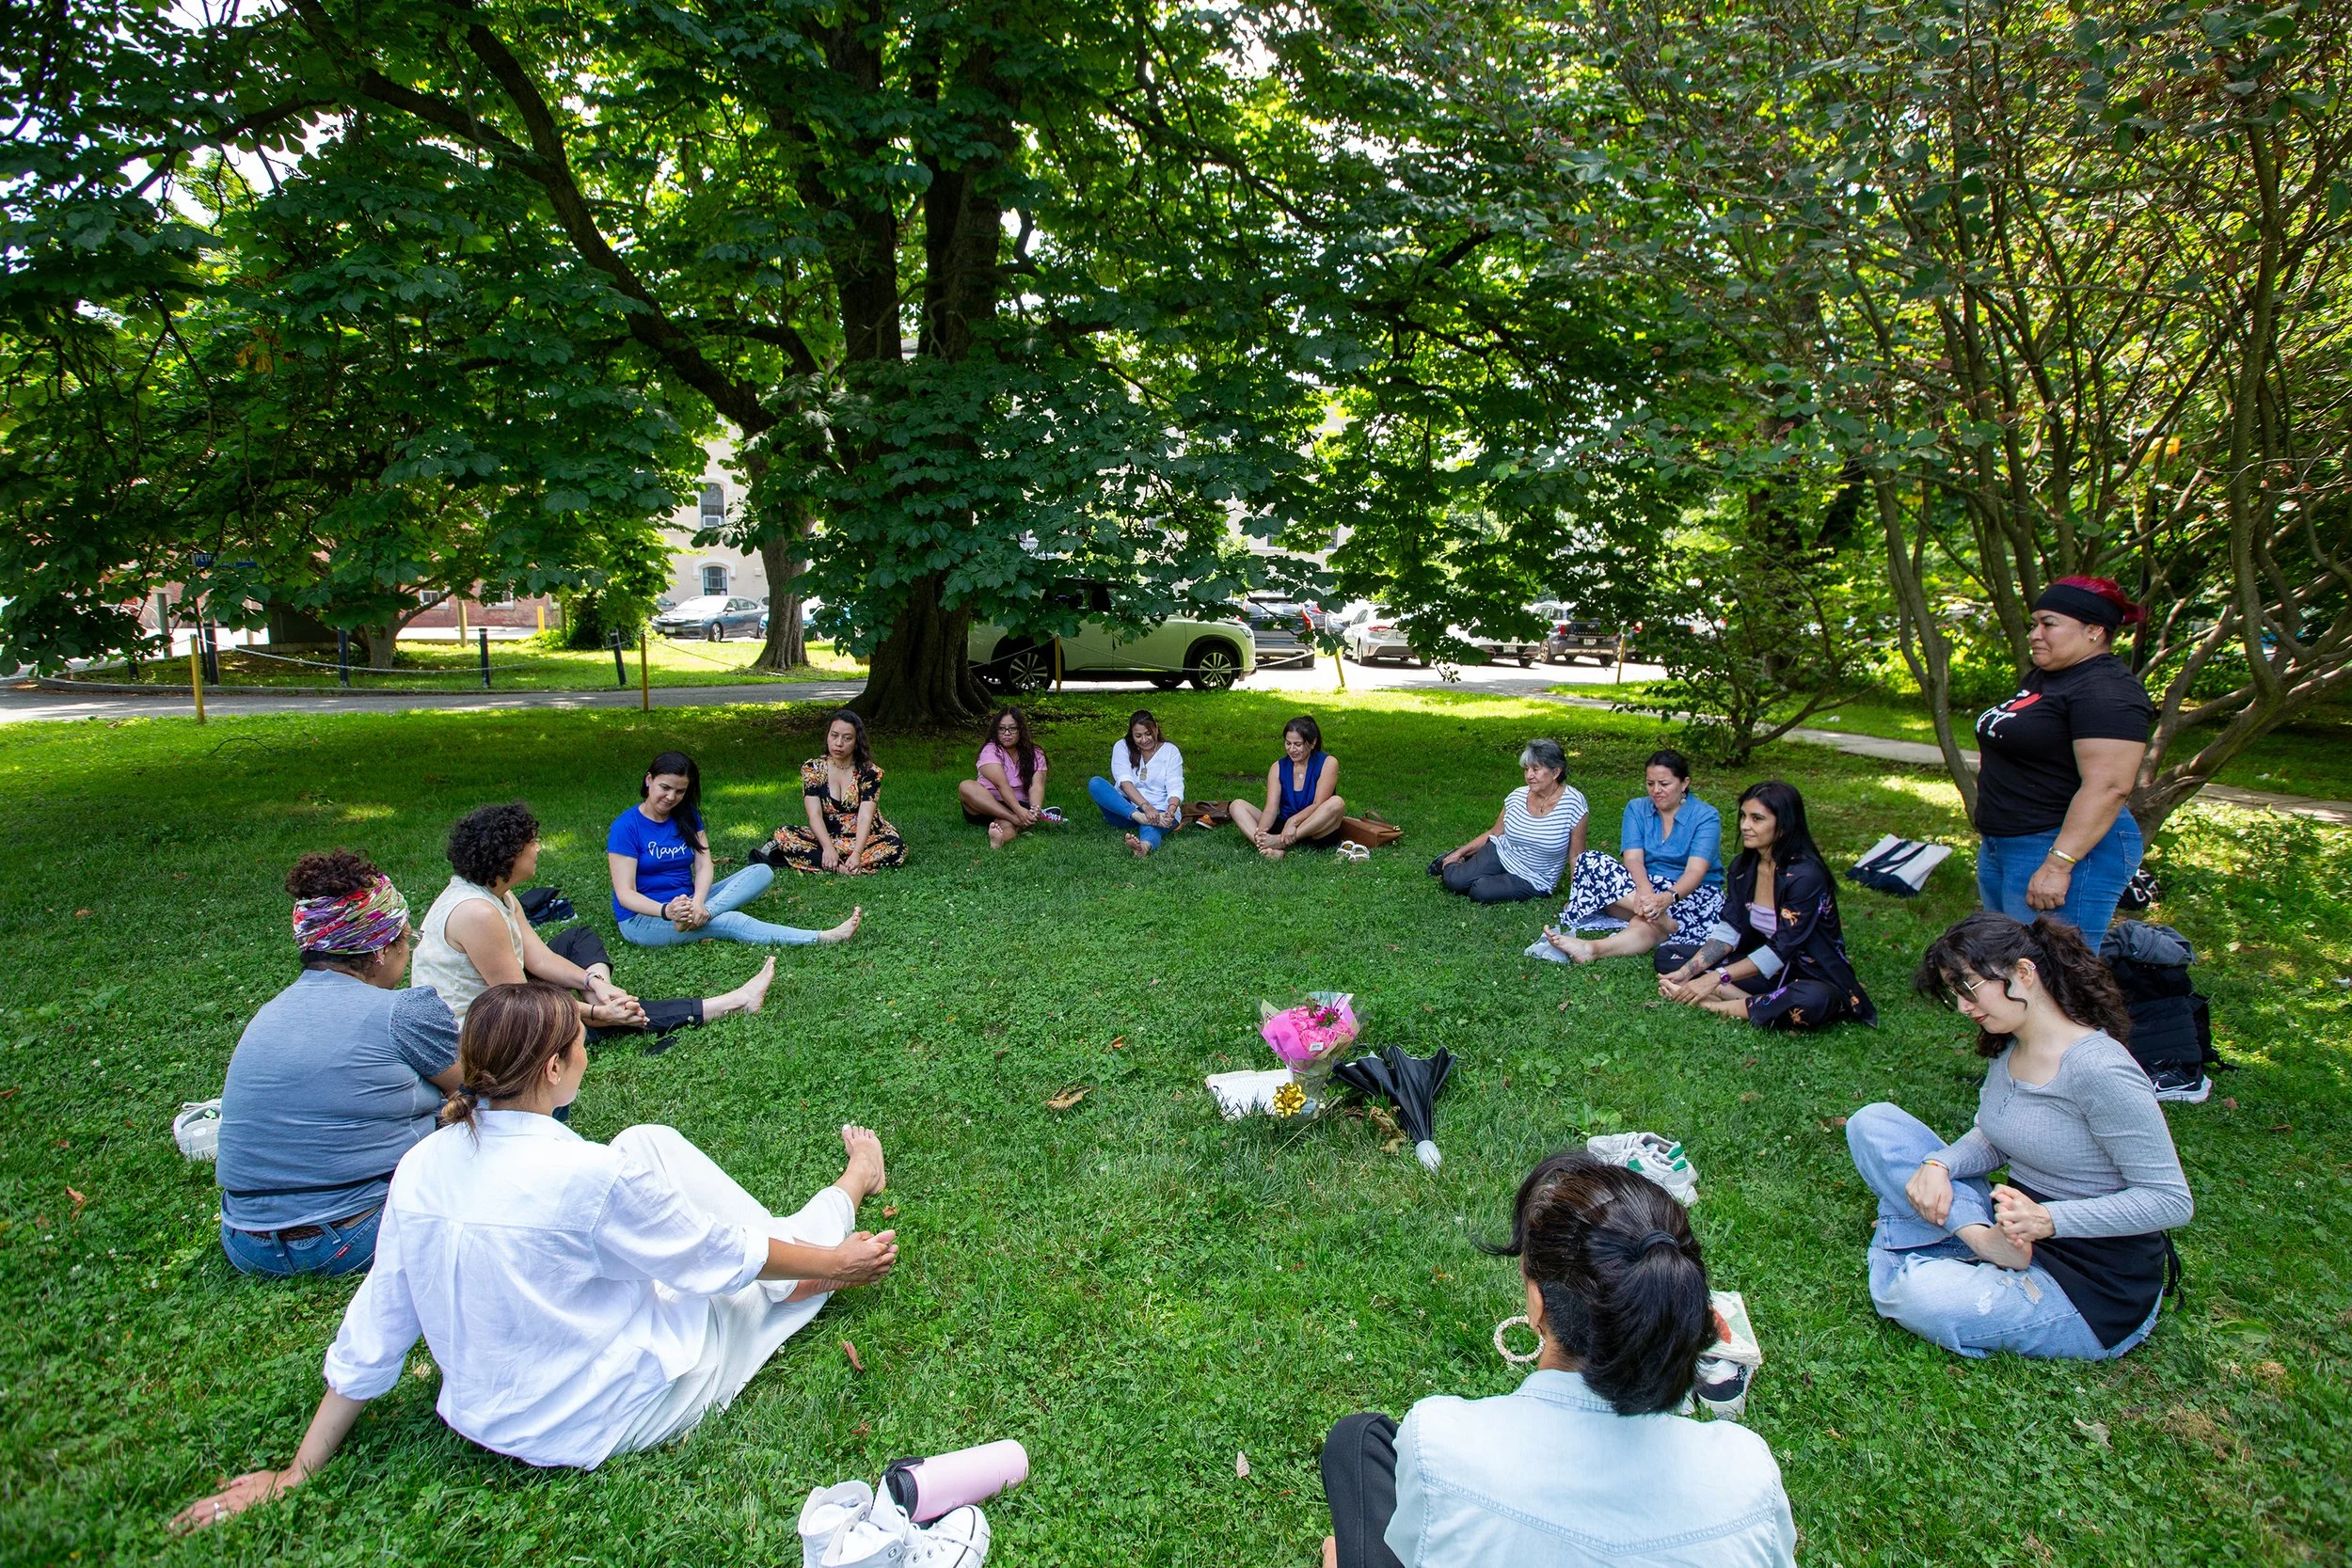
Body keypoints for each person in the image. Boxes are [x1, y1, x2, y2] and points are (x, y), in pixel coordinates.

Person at [170, 982, 901, 1533]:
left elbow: (379, 1320)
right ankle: (848, 1190)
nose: (588, 1052)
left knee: (648, 1140)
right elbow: (719, 1258)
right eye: (582, 1042)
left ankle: (806, 1261)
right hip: (613, 1412)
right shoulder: (585, 1177)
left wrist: (301, 1469)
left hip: (496, 1410)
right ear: (554, 1067)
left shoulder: (423, 1163)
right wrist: (838, 1261)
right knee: (755, 1281)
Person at [1318, 1151, 1796, 1568]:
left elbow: (1413, 1549)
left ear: (1537, 1305)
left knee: (1359, 1439)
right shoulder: (1747, 1473)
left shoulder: (1439, 1441)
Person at [1847, 912, 2193, 1360]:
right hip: (2011, 1228)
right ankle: (1975, 1241)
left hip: (2091, 1280)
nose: (1963, 1007)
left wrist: (2049, 1220)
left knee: (1919, 1294)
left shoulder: (2100, 1067)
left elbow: (2170, 1200)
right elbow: (1994, 1138)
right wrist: (1941, 1164)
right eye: (1955, 992)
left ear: (2024, 973)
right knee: (1873, 1121)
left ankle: (1927, 1234)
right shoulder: (2009, 1045)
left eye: (1968, 987)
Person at [215, 851, 460, 1278]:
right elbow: (472, 1088)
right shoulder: (404, 1011)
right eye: (407, 938)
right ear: (383, 949)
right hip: (355, 1234)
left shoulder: (267, 1015)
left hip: (244, 1242)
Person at [1972, 577, 2153, 935]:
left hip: (2061, 847)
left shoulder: (2107, 692)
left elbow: (2110, 786)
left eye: (2049, 624)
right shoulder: (2048, 677)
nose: (2035, 634)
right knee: (2014, 961)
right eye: (2034, 624)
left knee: (2056, 976)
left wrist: (2058, 864)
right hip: (2007, 843)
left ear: (2094, 630)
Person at [1658, 781, 1875, 1029]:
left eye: (1757, 819)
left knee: (1811, 1001)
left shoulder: (1805, 876)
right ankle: (1754, 1001)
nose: (1745, 826)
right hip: (1761, 969)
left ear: (1783, 826)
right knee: (1668, 957)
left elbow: (1782, 949)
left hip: (1808, 975)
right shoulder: (1743, 867)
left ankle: (1711, 1004)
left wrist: (1716, 978)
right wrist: (1688, 971)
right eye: (1743, 816)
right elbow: (1730, 928)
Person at [611, 752, 862, 948]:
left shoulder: (686, 816)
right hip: (644, 919)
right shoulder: (626, 827)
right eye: (664, 787)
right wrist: (667, 911)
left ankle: (703, 913)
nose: (671, 797)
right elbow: (625, 894)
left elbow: (703, 863)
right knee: (732, 922)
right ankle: (822, 937)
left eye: (680, 791)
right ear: (648, 780)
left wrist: (699, 904)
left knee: (761, 871)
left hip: (689, 903)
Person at [1537, 749, 1724, 963]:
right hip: (1642, 889)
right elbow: (1633, 859)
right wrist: (1646, 895)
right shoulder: (1637, 808)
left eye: (1664, 784)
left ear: (1684, 783)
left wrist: (1666, 898)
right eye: (1650, 783)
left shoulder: (1706, 816)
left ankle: (1592, 949)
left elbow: (1695, 871)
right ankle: (1660, 918)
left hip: (1688, 893)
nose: (1656, 790)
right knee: (1588, 861)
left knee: (1645, 923)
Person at [1432, 739, 1587, 904]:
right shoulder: (1517, 796)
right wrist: (1460, 852)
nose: (1529, 776)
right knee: (1455, 881)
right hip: (1501, 853)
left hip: (1534, 878)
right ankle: (1457, 859)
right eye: (1526, 769)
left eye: (1536, 769)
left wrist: (1576, 899)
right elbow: (1494, 833)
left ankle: (1476, 870)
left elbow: (1577, 855)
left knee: (1480, 890)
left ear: (1556, 772)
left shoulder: (1573, 803)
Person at [764, 710, 909, 874]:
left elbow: (865, 816)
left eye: (847, 738)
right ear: (827, 736)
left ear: (856, 742)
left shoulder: (870, 773)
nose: (839, 743)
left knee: (896, 848)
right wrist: (828, 848)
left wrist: (857, 853)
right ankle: (841, 867)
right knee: (784, 834)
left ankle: (835, 862)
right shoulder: (813, 769)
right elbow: (814, 815)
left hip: (865, 838)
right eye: (834, 736)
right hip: (828, 836)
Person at [1230, 715, 1346, 860]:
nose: (1292, 749)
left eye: (1298, 744)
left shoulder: (1328, 763)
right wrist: (1261, 833)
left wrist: (1293, 822)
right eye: (1288, 743)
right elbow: (1271, 808)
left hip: (1316, 828)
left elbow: (1319, 804)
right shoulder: (1277, 767)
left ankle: (1279, 843)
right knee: (1237, 805)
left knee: (1337, 802)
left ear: (1312, 743)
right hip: (1283, 826)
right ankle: (1265, 845)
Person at [1088, 709, 1187, 857]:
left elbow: (1175, 785)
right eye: (1138, 736)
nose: (1144, 739)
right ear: (1131, 735)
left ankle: (1143, 848)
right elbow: (1124, 783)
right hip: (1126, 809)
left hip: (1160, 809)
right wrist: (1144, 808)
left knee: (1153, 825)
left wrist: (1171, 810)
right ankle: (1140, 818)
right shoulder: (1122, 747)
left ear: (1157, 728)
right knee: (1095, 783)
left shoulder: (1170, 751)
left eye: (1148, 733)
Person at [958, 705, 1054, 848]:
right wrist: (1018, 812)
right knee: (965, 786)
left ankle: (999, 840)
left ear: (1021, 729)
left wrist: (1034, 810)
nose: (1006, 733)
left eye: (1012, 728)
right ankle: (1014, 819)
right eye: (1001, 729)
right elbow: (1001, 784)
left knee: (1006, 826)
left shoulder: (1035, 753)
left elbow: (1037, 785)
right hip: (984, 805)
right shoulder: (990, 750)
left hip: (1019, 804)